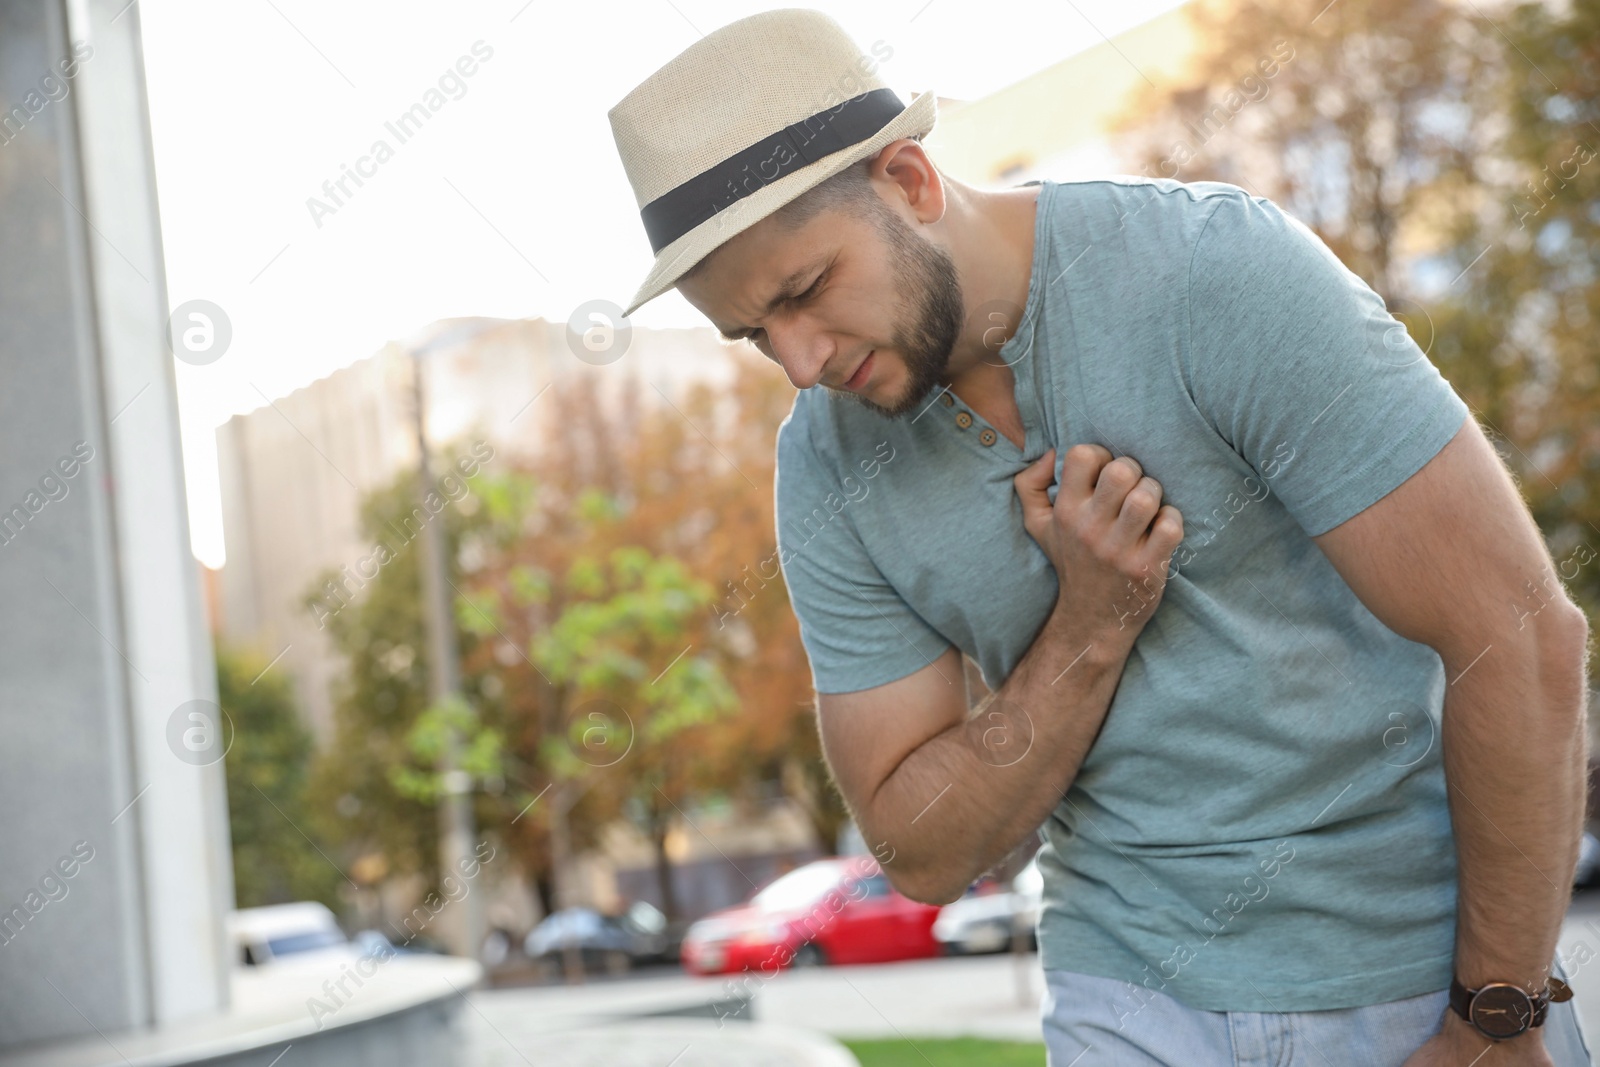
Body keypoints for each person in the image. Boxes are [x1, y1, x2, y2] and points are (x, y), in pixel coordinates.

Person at [605, 10, 1594, 1065]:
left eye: (804, 291)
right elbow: (919, 846)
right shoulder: (823, 465)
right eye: (754, 333)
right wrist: (1090, 622)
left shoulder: (1211, 272)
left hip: (1419, 976)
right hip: (1128, 997)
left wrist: (1497, 1015)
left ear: (907, 181)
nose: (798, 362)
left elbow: (1519, 635)